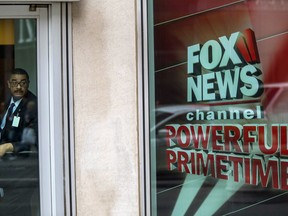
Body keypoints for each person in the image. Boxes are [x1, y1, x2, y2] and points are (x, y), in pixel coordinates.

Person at [0, 68, 38, 216]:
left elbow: (33, 139)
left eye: (22, 83)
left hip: (23, 167)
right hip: (8, 164)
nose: (18, 87)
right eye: (14, 83)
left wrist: (8, 146)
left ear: (28, 84)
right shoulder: (11, 100)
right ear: (9, 84)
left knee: (14, 208)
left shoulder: (32, 105)